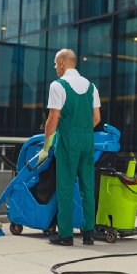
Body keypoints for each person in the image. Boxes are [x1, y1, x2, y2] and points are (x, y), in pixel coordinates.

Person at [39, 49, 101, 246]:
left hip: (68, 139)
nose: (55, 67)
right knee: (87, 187)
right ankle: (89, 233)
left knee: (65, 187)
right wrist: (82, 131)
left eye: (56, 63)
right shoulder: (91, 86)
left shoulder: (58, 85)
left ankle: (65, 235)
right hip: (87, 139)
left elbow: (52, 119)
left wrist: (46, 147)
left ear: (64, 63)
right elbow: (97, 118)